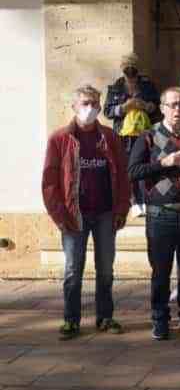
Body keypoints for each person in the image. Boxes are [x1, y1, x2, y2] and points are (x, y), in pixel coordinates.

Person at [42, 84, 131, 340]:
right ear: (74, 107)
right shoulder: (59, 139)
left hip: (105, 213)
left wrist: (121, 209)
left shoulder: (110, 138)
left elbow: (123, 177)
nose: (90, 109)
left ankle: (105, 317)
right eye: (85, 104)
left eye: (94, 103)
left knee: (105, 270)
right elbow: (50, 182)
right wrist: (59, 215)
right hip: (74, 215)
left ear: (100, 106)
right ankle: (71, 320)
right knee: (73, 271)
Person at [128, 87, 180, 340]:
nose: (177, 109)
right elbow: (133, 171)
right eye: (172, 105)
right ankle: (160, 318)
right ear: (162, 108)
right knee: (161, 271)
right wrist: (161, 164)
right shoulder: (148, 136)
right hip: (160, 214)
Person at [103, 53, 160, 153]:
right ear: (122, 69)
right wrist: (123, 107)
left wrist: (147, 106)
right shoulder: (115, 88)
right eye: (127, 71)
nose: (130, 76)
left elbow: (160, 108)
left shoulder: (148, 86)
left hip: (144, 134)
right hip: (122, 136)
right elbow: (107, 112)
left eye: (133, 71)